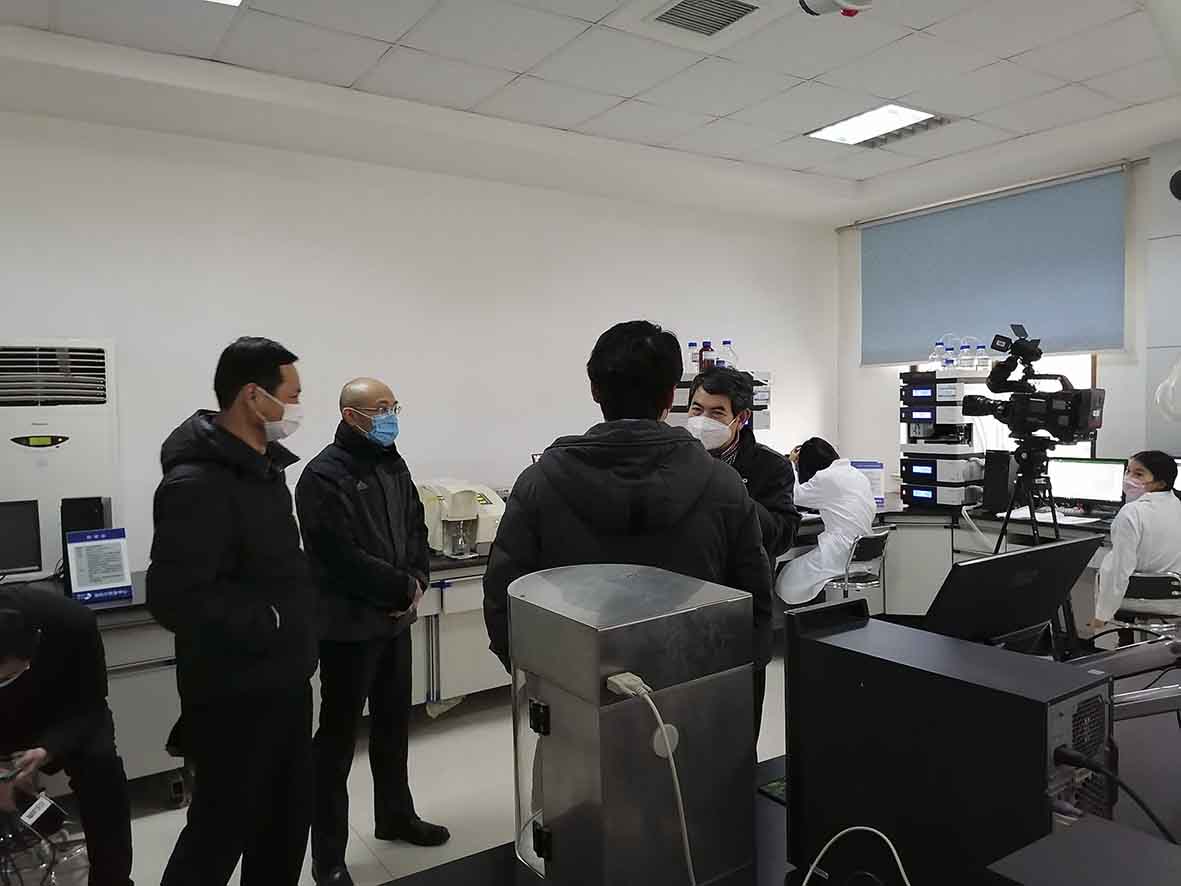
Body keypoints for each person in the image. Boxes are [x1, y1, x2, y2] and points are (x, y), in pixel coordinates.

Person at [483, 320, 774, 735]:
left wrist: (551, 679)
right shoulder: (722, 485)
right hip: (693, 699)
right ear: (670, 396)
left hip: (577, 703)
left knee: (580, 780)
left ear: (595, 390)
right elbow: (754, 605)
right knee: (687, 778)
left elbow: (504, 603)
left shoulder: (540, 483)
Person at [146, 337, 317, 886]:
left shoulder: (266, 471)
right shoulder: (196, 484)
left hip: (285, 682)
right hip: (234, 697)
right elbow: (174, 597)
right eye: (292, 395)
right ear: (252, 396)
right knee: (219, 833)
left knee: (285, 826)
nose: (296, 407)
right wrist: (270, 619)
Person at [296, 379, 449, 886]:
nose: (389, 416)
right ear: (350, 414)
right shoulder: (323, 475)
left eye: (393, 407)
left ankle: (395, 816)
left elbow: (416, 528)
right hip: (347, 629)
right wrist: (400, 587)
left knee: (393, 727)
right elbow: (337, 556)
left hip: (394, 623)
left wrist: (418, 577)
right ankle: (329, 856)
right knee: (337, 742)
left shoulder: (393, 464)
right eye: (380, 408)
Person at [0, 592, 133, 886]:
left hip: (66, 715)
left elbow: (91, 704)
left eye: (6, 677)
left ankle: (112, 880)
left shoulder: (73, 622)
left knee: (103, 774)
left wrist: (47, 749)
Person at [687, 366, 801, 562]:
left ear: (741, 418)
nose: (702, 421)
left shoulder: (772, 466)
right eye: (697, 410)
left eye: (716, 413)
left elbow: (782, 537)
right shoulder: (676, 458)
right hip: (689, 572)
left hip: (742, 575)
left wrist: (733, 495)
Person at [775, 438, 876, 607]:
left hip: (839, 553)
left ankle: (791, 619)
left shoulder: (826, 477)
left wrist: (789, 463)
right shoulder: (856, 474)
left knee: (785, 579)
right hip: (861, 555)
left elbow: (795, 495)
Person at [1091, 451, 1181, 626]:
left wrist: (1102, 615)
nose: (1129, 478)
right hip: (1176, 598)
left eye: (1138, 474)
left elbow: (1119, 569)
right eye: (1128, 471)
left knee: (1106, 567)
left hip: (1140, 597)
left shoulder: (1131, 513)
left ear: (1160, 483)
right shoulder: (1177, 505)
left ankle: (1120, 638)